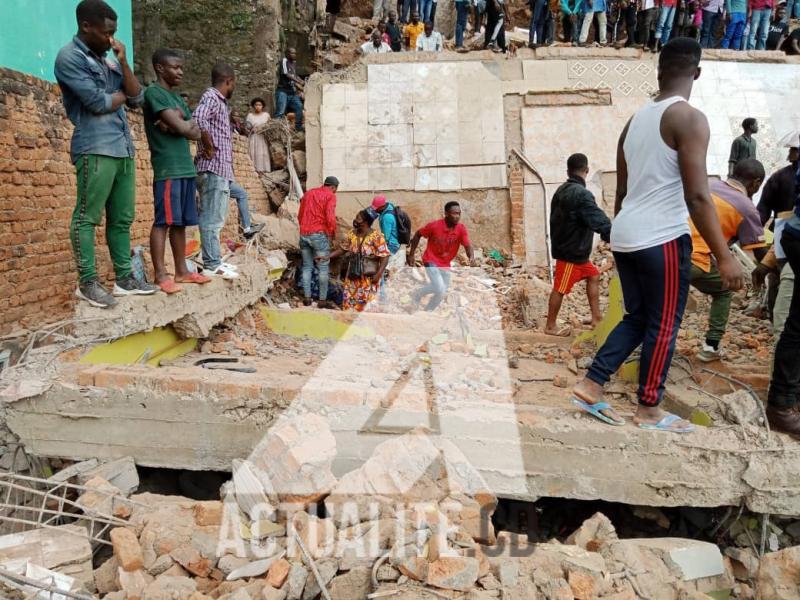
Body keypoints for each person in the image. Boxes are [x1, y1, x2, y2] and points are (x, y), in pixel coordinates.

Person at [570, 38, 744, 434]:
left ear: (658, 70)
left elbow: (621, 191)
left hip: (628, 232)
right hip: (661, 236)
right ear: (696, 73)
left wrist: (621, 233)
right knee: (664, 324)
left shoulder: (634, 121)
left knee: (639, 317)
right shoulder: (689, 118)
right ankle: (649, 408)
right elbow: (698, 195)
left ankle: (591, 383)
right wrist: (725, 256)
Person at [54, 0, 158, 308]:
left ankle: (124, 278)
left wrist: (124, 62)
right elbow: (97, 102)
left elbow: (136, 97)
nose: (112, 39)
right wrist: (118, 96)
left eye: (114, 33)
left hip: (122, 147)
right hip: (95, 147)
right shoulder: (69, 57)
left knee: (122, 218)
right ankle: (87, 283)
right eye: (107, 32)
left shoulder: (110, 60)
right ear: (86, 26)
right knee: (87, 217)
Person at [141, 49, 211, 295]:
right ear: (160, 68)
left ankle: (182, 271)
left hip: (185, 168)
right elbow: (185, 127)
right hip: (168, 167)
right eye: (175, 67)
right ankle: (161, 275)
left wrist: (177, 123)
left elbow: (194, 131)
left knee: (180, 222)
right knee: (163, 221)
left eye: (181, 67)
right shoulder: (154, 93)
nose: (180, 72)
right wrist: (179, 125)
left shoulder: (178, 99)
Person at [689, 159, 767, 362]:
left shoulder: (707, 186)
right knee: (724, 289)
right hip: (695, 259)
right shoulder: (747, 207)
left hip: (669, 249)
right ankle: (711, 346)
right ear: (756, 184)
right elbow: (760, 254)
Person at [545, 154, 612, 336]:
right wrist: (614, 235)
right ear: (587, 170)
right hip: (571, 255)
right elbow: (597, 219)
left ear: (568, 171)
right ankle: (550, 326)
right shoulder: (581, 195)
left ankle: (596, 318)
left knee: (594, 276)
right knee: (560, 289)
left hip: (575, 252)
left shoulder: (560, 190)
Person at [766, 152, 800, 436]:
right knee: (792, 327)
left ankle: (786, 400)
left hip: (789, 240)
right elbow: (763, 216)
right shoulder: (780, 177)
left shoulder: (784, 176)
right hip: (792, 242)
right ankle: (783, 403)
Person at [193, 63, 238, 280]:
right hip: (213, 169)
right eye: (233, 83)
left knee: (214, 218)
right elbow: (199, 118)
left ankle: (214, 261)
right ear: (228, 81)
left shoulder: (218, 101)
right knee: (212, 219)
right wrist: (208, 146)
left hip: (216, 170)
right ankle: (211, 264)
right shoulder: (212, 97)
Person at [407, 202, 476, 311]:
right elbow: (418, 235)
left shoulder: (461, 229)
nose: (457, 216)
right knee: (439, 287)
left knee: (442, 292)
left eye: (459, 213)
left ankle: (427, 312)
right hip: (431, 260)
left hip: (445, 264)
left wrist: (471, 256)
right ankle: (417, 295)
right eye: (454, 213)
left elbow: (468, 245)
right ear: (446, 214)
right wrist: (411, 254)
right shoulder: (434, 226)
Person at [327, 210, 391, 312]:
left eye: (358, 218)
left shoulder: (376, 237)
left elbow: (385, 256)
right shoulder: (352, 233)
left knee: (367, 305)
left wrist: (379, 274)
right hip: (353, 274)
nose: (355, 220)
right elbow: (343, 249)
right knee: (350, 302)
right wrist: (328, 257)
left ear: (366, 222)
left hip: (368, 276)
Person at [298, 176, 339, 308]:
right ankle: (322, 300)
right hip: (319, 234)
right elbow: (330, 216)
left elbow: (300, 214)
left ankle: (307, 298)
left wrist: (304, 228)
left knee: (307, 266)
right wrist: (332, 233)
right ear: (333, 187)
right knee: (323, 268)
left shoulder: (308, 193)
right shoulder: (330, 196)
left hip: (304, 234)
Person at [275, 48, 304, 132]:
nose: (294, 55)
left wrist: (302, 81)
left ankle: (298, 127)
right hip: (283, 91)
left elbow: (294, 75)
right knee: (280, 111)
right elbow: (286, 74)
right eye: (292, 53)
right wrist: (298, 81)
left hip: (292, 92)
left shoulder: (293, 63)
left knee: (299, 107)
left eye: (295, 53)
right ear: (287, 53)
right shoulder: (284, 61)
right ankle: (277, 129)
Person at [245, 97, 271, 174]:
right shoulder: (250, 116)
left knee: (263, 153)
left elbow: (270, 125)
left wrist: (264, 128)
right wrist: (251, 129)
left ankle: (264, 172)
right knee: (254, 153)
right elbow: (247, 127)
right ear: (253, 106)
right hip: (254, 137)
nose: (258, 106)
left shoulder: (266, 115)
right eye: (256, 105)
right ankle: (254, 171)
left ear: (262, 106)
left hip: (263, 137)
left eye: (260, 105)